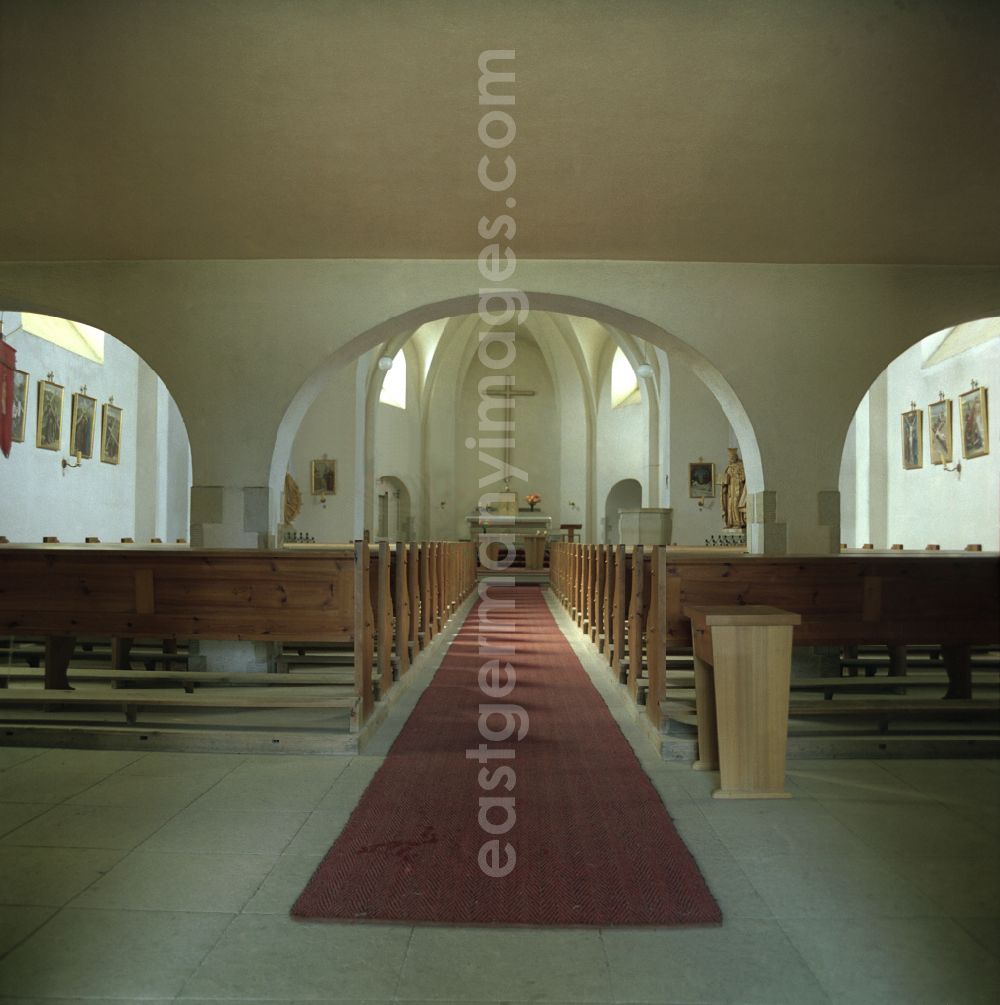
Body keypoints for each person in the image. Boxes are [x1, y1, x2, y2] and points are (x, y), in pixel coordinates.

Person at [720, 447, 747, 529]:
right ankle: (730, 522)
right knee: (730, 505)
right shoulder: (728, 467)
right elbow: (726, 477)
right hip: (730, 488)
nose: (730, 459)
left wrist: (736, 475)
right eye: (729, 457)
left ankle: (739, 522)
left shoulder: (741, 465)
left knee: (736, 503)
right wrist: (724, 483)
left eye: (732, 457)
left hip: (738, 488)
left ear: (735, 456)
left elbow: (743, 478)